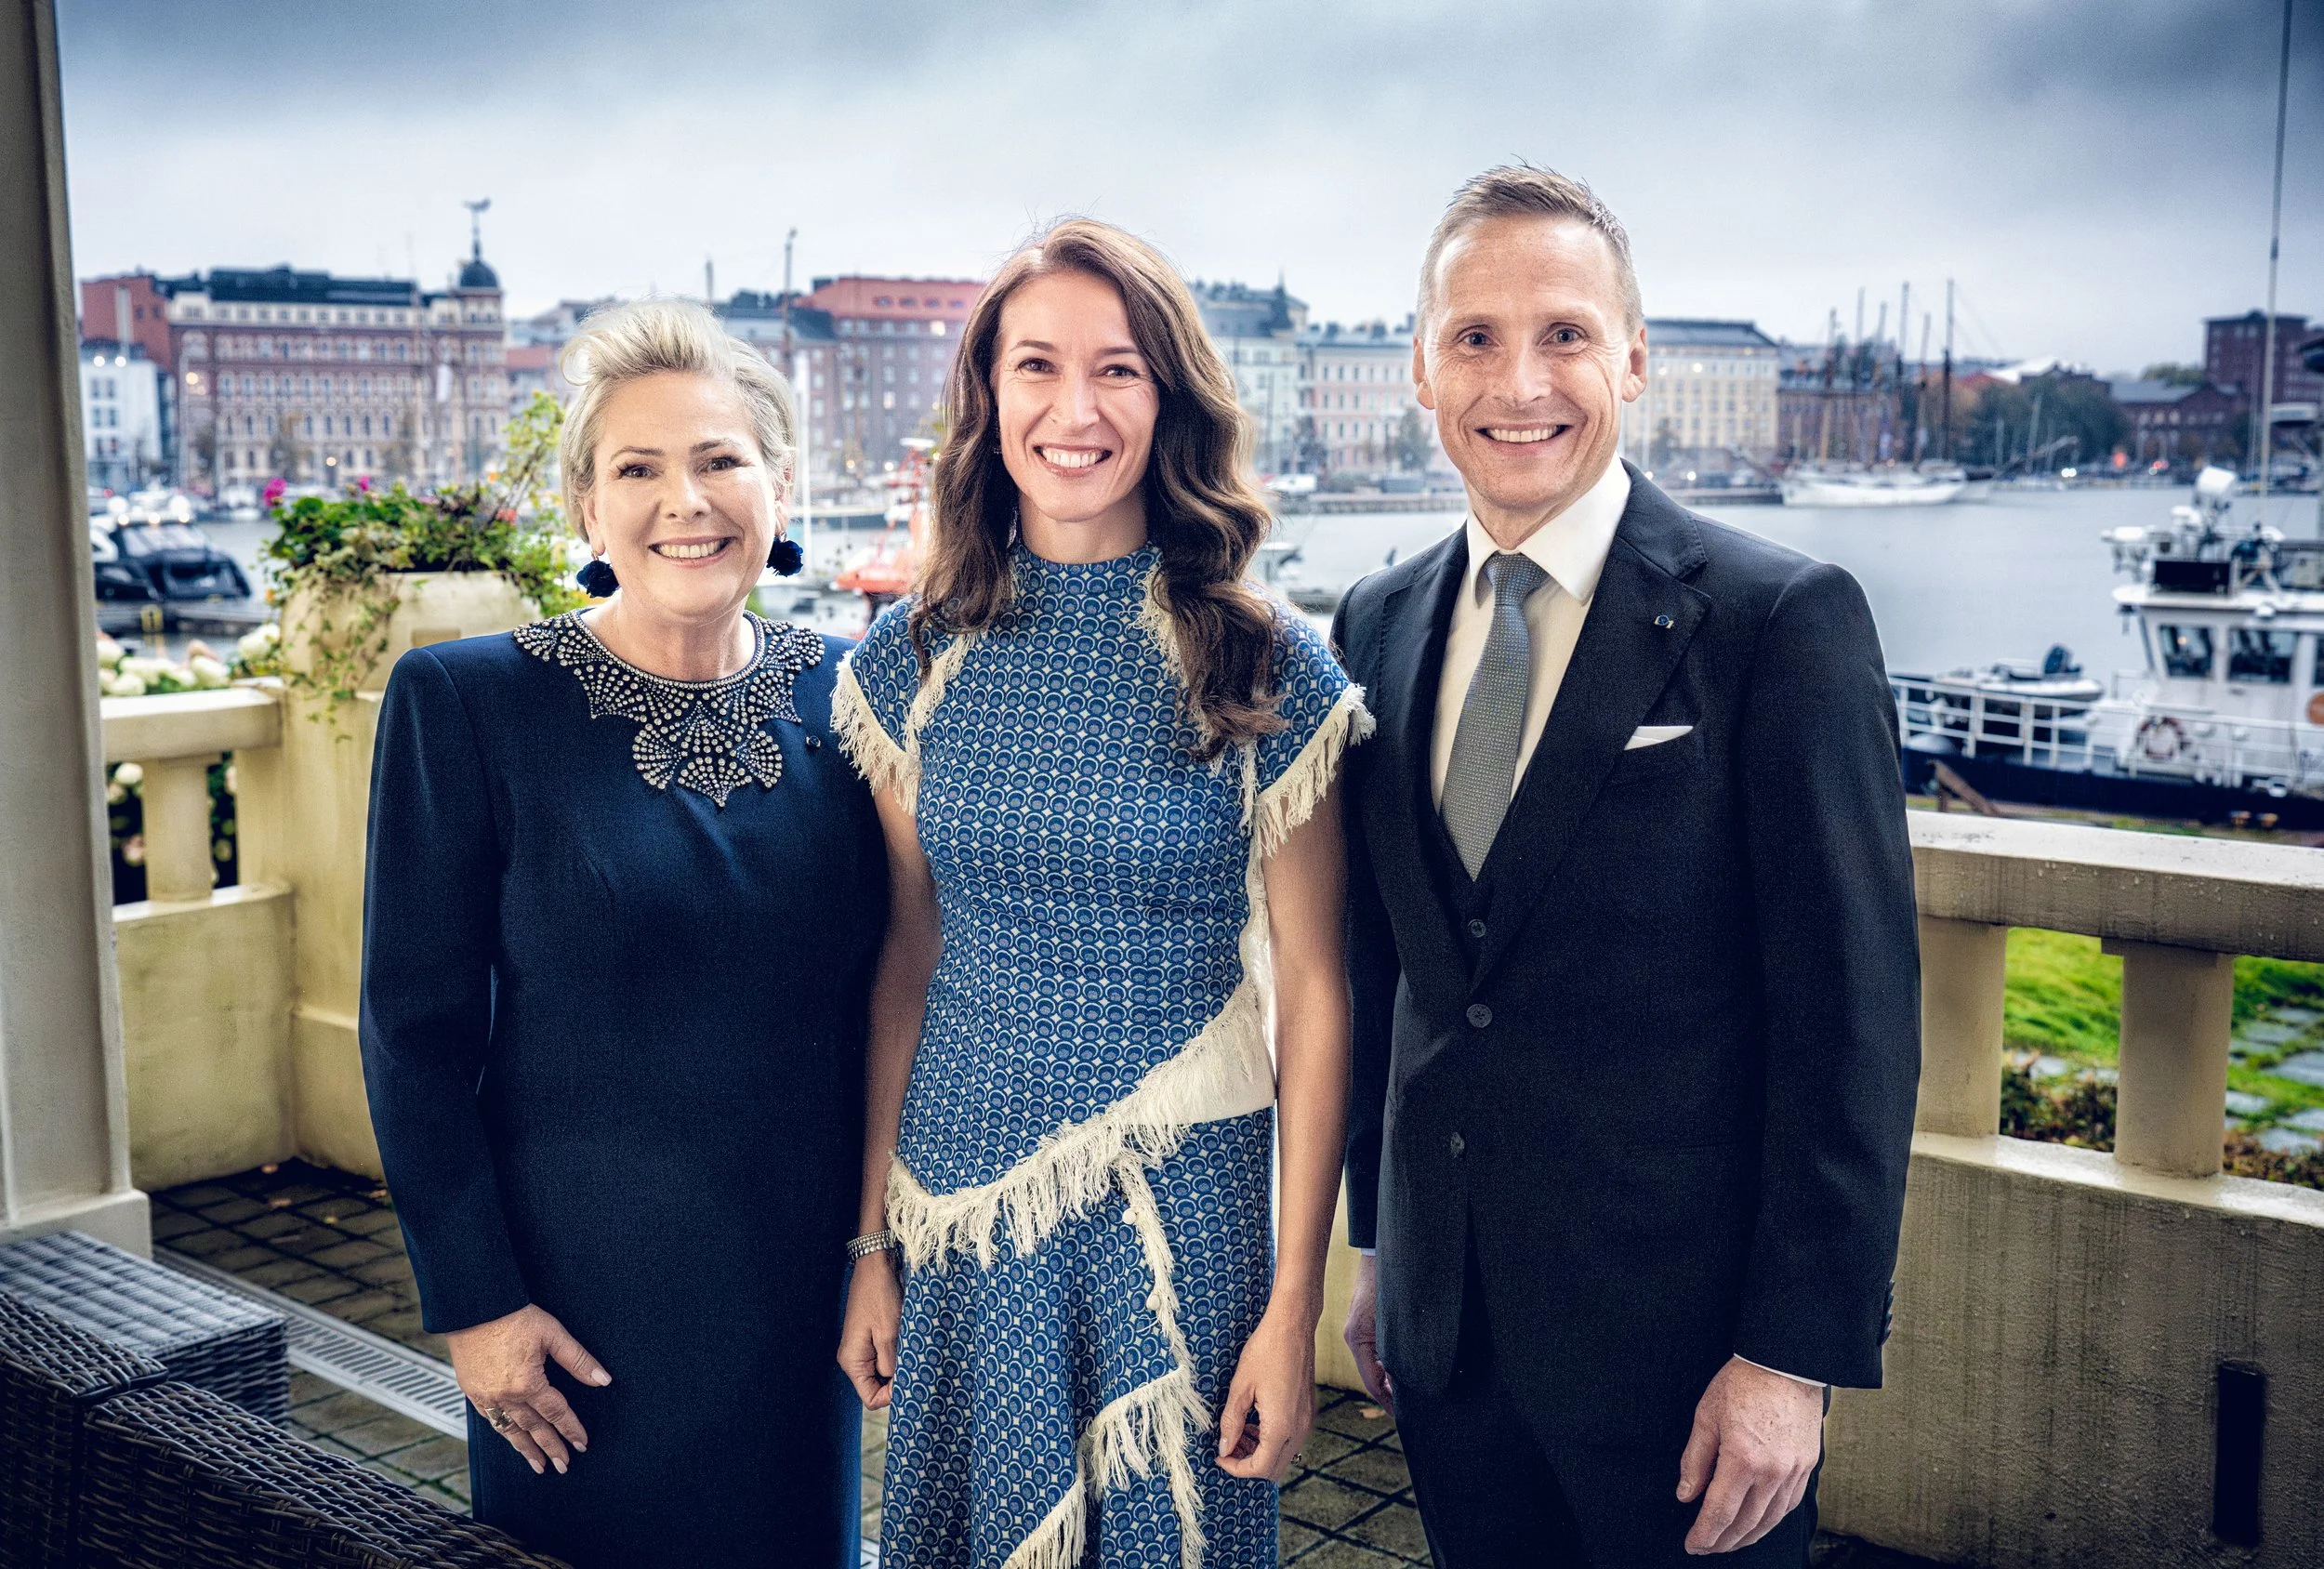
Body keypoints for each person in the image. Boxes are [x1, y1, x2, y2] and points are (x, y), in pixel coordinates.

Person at [1333, 165, 1921, 1565]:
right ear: (1422, 367)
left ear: (1635, 360)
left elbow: (1854, 1024)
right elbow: (1388, 976)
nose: (1516, 378)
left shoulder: (1781, 623)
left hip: (1691, 1367)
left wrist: (1792, 1360)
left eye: (1566, 334)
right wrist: (1383, 1246)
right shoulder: (1377, 622)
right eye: (1473, 336)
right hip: (1449, 1338)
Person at [832, 217, 1368, 1569]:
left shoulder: (1262, 660)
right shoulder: (911, 658)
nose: (1075, 410)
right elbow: (907, 956)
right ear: (987, 396)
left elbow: (1315, 990)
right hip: (954, 1205)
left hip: (1182, 1201)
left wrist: (1292, 1303)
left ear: (1169, 395)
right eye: (1037, 368)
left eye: (1118, 369)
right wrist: (865, 1244)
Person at [360, 299, 884, 1569]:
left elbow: (899, 993)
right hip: (574, 1310)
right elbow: (413, 1033)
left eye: (719, 460)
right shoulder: (466, 702)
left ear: (778, 482)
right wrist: (476, 1305)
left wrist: (879, 1251)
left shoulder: (862, 693)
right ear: (587, 510)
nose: (684, 501)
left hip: (799, 1293)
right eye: (637, 470)